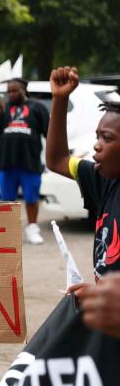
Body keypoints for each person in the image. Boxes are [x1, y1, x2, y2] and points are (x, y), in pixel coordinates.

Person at [46, 66, 120, 281]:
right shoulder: (104, 180)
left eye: (106, 138)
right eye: (97, 137)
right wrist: (60, 99)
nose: (96, 146)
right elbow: (57, 160)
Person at [0, 78, 49, 245]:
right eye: (8, 91)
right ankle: (10, 232)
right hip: (7, 163)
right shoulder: (3, 108)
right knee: (7, 201)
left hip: (30, 162)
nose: (11, 94)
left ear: (24, 90)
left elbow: (49, 133)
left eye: (15, 91)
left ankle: (32, 228)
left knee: (31, 198)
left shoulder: (38, 108)